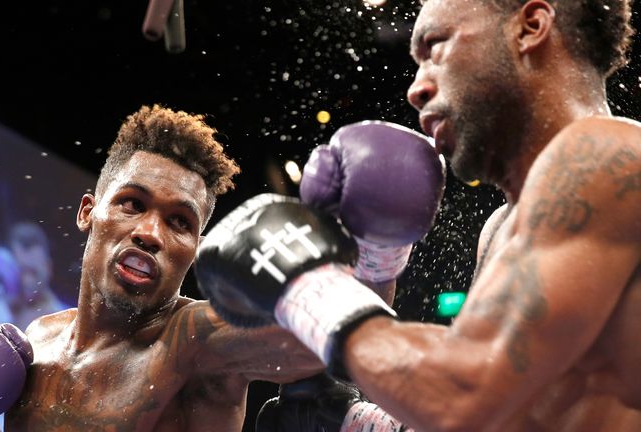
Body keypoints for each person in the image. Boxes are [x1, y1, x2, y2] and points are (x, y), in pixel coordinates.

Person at [197, 0, 641, 430]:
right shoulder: (501, 227)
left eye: (436, 47)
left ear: (531, 26)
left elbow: (466, 396)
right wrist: (355, 421)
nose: (417, 87)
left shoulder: (607, 155)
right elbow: (502, 410)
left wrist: (307, 288)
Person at [0, 104, 336, 431]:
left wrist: (380, 248)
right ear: (88, 212)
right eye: (133, 204)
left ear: (196, 250)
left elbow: (334, 340)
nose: (150, 233)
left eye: (180, 222)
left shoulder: (197, 341)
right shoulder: (37, 342)